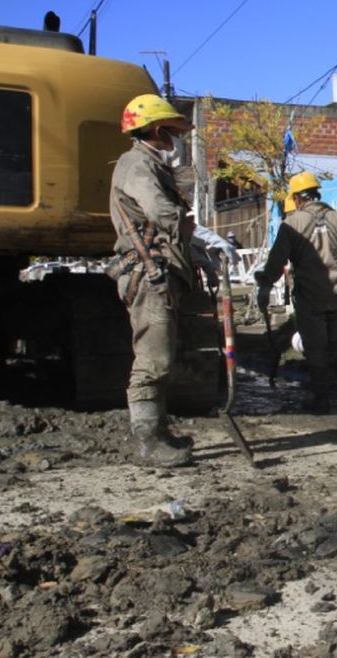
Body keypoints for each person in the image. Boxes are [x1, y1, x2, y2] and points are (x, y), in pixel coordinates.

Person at [108, 93, 197, 467]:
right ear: (158, 130)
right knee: (153, 358)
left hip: (157, 271)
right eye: (173, 132)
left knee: (161, 356)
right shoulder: (138, 165)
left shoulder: (145, 164)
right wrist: (193, 229)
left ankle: (157, 433)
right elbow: (161, 212)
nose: (175, 140)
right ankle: (147, 443)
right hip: (149, 273)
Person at [257, 171, 337, 411]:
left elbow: (277, 261)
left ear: (298, 198)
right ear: (317, 194)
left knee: (315, 347)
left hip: (310, 298)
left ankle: (322, 399)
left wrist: (265, 283)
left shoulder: (292, 225)